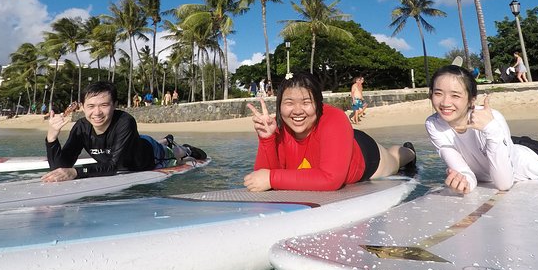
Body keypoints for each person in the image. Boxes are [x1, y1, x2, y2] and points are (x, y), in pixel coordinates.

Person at [425, 65, 538, 194]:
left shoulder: (491, 119)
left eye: (455, 95)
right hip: (504, 145)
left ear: (471, 100)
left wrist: (491, 130)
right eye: (438, 93)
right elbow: (464, 171)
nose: (445, 102)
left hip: (526, 161)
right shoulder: (433, 124)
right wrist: (465, 181)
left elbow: (504, 184)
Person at [244, 72, 416, 192]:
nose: (297, 111)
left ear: (319, 104)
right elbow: (260, 178)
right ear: (279, 105)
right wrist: (266, 139)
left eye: (306, 102)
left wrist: (272, 178)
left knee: (395, 159)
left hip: (363, 154)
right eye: (289, 103)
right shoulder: (278, 128)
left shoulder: (334, 117)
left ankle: (410, 152)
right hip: (335, 140)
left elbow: (331, 179)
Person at [42, 81, 206, 182]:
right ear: (82, 107)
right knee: (144, 142)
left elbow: (115, 166)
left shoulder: (125, 121)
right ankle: (165, 139)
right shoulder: (81, 127)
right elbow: (60, 167)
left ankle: (184, 147)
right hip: (129, 144)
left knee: (174, 153)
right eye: (91, 106)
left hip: (149, 155)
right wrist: (52, 136)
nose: (97, 112)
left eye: (104, 105)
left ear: (114, 105)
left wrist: (76, 172)